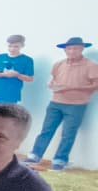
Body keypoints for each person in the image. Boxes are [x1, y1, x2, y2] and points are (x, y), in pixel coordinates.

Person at [27, 36, 98, 171]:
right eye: (69, 48)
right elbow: (54, 80)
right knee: (46, 131)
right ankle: (34, 156)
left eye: (75, 48)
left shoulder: (91, 66)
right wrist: (52, 84)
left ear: (82, 49)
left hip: (77, 105)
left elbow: (96, 85)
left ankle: (60, 161)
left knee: (68, 134)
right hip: (55, 102)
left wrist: (71, 88)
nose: (72, 51)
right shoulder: (59, 64)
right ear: (65, 50)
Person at [0, 34, 34, 105]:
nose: (12, 49)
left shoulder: (27, 60)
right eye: (9, 46)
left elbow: (30, 79)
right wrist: (2, 74)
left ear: (22, 45)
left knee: (6, 115)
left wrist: (17, 75)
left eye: (16, 46)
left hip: (11, 96)